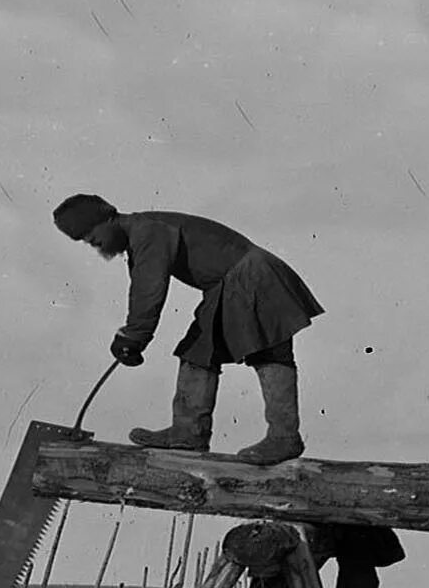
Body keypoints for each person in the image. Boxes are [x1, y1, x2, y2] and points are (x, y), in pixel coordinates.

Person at [52, 193, 324, 465]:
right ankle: (187, 434)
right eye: (83, 239)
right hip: (232, 282)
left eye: (90, 232)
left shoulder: (148, 231)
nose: (90, 241)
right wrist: (133, 336)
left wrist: (133, 337)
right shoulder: (142, 233)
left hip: (251, 277)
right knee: (198, 351)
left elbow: (149, 289)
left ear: (108, 217)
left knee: (269, 354)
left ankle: (284, 437)